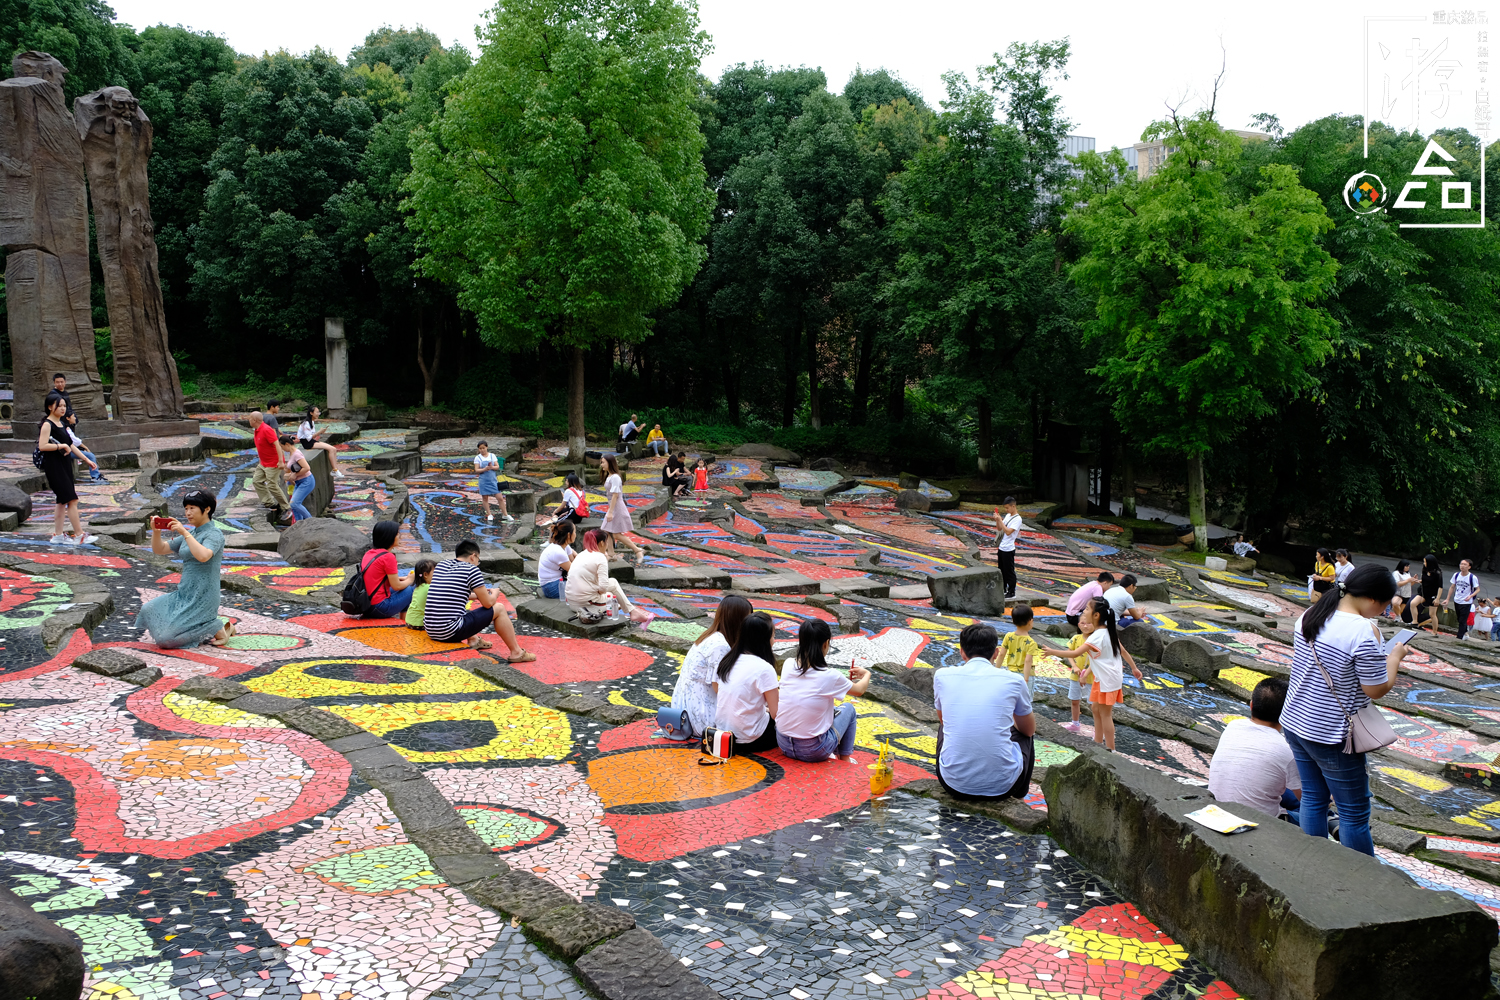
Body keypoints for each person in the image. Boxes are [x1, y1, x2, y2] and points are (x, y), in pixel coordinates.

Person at [1281, 563, 1407, 856]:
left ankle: (1316, 863)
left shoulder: (1310, 614)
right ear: (1375, 599)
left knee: (1313, 798)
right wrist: (1395, 657)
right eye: (1386, 606)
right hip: (1331, 733)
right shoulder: (1364, 631)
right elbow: (1375, 689)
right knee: (1353, 814)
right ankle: (1361, 881)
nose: (1384, 611)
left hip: (1296, 720)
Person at [932, 622, 1036, 800]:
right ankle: (1020, 790)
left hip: (952, 783)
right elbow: (1029, 730)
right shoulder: (1015, 681)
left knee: (945, 726)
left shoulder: (942, 676)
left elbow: (943, 720)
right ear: (996, 653)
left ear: (962, 651)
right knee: (1025, 735)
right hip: (1004, 787)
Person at [137, 489, 230, 647]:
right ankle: (212, 625)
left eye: (192, 508)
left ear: (207, 509)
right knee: (148, 610)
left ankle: (215, 626)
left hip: (204, 596)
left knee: (166, 640)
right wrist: (156, 532)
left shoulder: (214, 534)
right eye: (186, 508)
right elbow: (160, 549)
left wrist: (184, 532)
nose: (188, 512)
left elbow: (203, 556)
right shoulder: (192, 533)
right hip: (185, 592)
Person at [1050, 597, 1142, 751]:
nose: (1083, 611)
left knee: (1105, 714)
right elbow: (1122, 652)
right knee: (1095, 709)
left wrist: (1052, 651)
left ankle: (1111, 749)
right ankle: (1098, 742)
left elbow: (1075, 653)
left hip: (1107, 680)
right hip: (1105, 678)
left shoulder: (1097, 636)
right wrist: (1134, 668)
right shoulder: (1106, 631)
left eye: (1086, 608)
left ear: (1096, 615)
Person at [1208, 676, 1302, 823]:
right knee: (1308, 807)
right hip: (1259, 824)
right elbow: (1308, 798)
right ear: (1289, 715)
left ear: (1251, 705)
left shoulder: (1233, 726)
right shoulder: (1286, 751)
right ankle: (1332, 823)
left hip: (1216, 810)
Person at [777, 618, 871, 762]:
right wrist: (866, 674)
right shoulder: (829, 676)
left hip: (783, 744)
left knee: (829, 707)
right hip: (812, 750)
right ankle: (845, 760)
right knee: (849, 709)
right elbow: (859, 690)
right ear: (826, 644)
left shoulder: (788, 664)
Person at [424, 539, 535, 659]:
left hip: (431, 629)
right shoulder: (472, 570)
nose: (477, 563)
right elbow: (488, 604)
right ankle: (517, 653)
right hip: (449, 632)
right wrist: (495, 594)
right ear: (473, 556)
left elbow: (454, 594)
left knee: (459, 610)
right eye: (478, 560)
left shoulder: (441, 565)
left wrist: (478, 595)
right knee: (499, 608)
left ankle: (474, 640)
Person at [667, 594, 752, 741]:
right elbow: (718, 687)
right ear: (737, 621)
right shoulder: (720, 646)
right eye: (747, 619)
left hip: (683, 708)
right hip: (699, 716)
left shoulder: (709, 636)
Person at [713, 611, 781, 752]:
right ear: (765, 639)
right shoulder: (764, 669)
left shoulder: (727, 661)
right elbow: (777, 713)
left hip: (722, 735)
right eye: (773, 636)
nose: (774, 640)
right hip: (750, 739)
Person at [37, 394, 99, 545]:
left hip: (65, 466)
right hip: (54, 467)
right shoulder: (48, 424)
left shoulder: (62, 424)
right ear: (50, 407)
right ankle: (79, 535)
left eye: (64, 405)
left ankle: (58, 535)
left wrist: (86, 459)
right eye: (60, 406)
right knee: (72, 499)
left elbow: (71, 445)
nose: (63, 408)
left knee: (61, 501)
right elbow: (42, 445)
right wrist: (60, 446)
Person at [565, 528, 653, 624]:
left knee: (613, 582)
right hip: (586, 605)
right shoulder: (600, 557)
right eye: (607, 543)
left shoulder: (582, 554)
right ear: (602, 543)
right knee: (612, 597)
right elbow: (603, 588)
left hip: (572, 603)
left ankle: (632, 610)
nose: (607, 546)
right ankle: (632, 611)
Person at [50, 373, 107, 484]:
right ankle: (95, 476)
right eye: (57, 382)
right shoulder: (57, 424)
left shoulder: (65, 395)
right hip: (60, 450)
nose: (60, 384)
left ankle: (95, 474)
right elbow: (72, 442)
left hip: (67, 445)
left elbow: (71, 442)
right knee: (89, 454)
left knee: (85, 453)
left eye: (62, 381)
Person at [355, 520, 416, 619]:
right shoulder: (388, 557)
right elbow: (396, 586)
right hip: (379, 608)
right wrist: (410, 580)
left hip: (366, 604)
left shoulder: (370, 553)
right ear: (389, 537)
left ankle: (403, 620)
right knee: (412, 588)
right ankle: (404, 621)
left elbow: (377, 578)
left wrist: (403, 578)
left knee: (406, 586)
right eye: (397, 534)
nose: (400, 536)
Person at [599, 455, 644, 560]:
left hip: (617, 507)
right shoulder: (610, 476)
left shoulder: (615, 477)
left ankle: (637, 549)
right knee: (606, 530)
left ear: (610, 463)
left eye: (603, 462)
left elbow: (615, 495)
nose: (601, 465)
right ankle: (611, 554)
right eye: (601, 462)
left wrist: (610, 512)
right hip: (613, 506)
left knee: (615, 534)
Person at [249, 411, 291, 525]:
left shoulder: (266, 430)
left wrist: (281, 461)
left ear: (254, 420)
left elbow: (277, 445)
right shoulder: (257, 430)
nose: (248, 420)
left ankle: (286, 508)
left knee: (272, 484)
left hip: (273, 463)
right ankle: (269, 503)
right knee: (257, 481)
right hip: (263, 463)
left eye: (250, 418)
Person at [999, 604, 1042, 693]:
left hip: (1011, 673)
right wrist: (1026, 680)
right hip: (1025, 675)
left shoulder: (1008, 636)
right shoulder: (1031, 643)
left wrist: (996, 670)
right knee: (1025, 702)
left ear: (1013, 620)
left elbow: (1002, 654)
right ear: (1030, 621)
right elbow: (1027, 661)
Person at [1063, 621, 1096, 730]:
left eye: (1088, 623)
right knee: (1074, 700)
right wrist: (1074, 666)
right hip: (1076, 675)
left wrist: (1086, 674)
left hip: (1091, 677)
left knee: (1094, 705)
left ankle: (1098, 728)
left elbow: (1096, 660)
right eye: (1083, 623)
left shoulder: (1096, 640)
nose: (1085, 625)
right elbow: (1069, 652)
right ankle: (1075, 723)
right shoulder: (1076, 638)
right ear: (1078, 624)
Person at [297, 405, 345, 478]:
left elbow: (312, 436)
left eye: (318, 412)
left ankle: (335, 470)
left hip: (311, 441)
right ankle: (334, 470)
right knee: (331, 449)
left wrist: (320, 432)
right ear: (311, 413)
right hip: (307, 443)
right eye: (317, 412)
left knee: (334, 449)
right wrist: (319, 432)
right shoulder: (306, 423)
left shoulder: (311, 422)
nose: (318, 414)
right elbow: (308, 438)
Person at [1442, 558, 1482, 640]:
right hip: (1457, 600)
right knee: (1459, 618)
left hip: (1466, 602)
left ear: (1469, 567)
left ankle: (1459, 637)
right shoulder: (1456, 575)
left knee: (1463, 620)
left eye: (1465, 564)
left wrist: (1470, 596)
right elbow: (1452, 586)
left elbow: (1478, 589)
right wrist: (1447, 599)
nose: (1462, 566)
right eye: (1461, 564)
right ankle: (1465, 632)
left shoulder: (1472, 577)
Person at [474, 441, 512, 522]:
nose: (482, 450)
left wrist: (491, 467)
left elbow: (497, 466)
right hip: (483, 480)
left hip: (493, 480)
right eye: (480, 448)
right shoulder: (478, 458)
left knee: (500, 498)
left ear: (487, 447)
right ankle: (489, 514)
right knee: (485, 498)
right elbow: (477, 470)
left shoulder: (492, 456)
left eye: (483, 448)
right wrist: (484, 469)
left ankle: (505, 514)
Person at [538, 521, 577, 600]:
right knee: (586, 588)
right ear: (569, 535)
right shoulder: (558, 552)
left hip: (559, 581)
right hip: (551, 587)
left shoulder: (565, 546)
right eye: (575, 532)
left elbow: (574, 562)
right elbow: (575, 570)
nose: (575, 535)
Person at [281, 434, 316, 522]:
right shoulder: (291, 453)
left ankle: (310, 521)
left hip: (306, 481)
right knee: (295, 505)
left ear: (287, 444)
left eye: (282, 446)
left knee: (294, 503)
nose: (282, 449)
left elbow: (307, 468)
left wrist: (295, 475)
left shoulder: (296, 454)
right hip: (299, 482)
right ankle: (298, 524)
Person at [993, 497, 1022, 600]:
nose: (1006, 510)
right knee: (1001, 569)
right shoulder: (1008, 516)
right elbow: (1000, 528)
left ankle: (1012, 590)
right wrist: (998, 520)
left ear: (1013, 506)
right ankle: (1003, 587)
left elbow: (1008, 531)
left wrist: (1000, 520)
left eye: (1007, 508)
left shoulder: (1017, 519)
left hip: (1009, 548)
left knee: (1009, 571)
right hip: (1002, 547)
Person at [405, 559, 436, 630]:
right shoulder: (429, 588)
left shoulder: (418, 586)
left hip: (410, 621)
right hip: (419, 623)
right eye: (436, 573)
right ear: (425, 575)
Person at [1417, 553, 1443, 630]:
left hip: (1433, 595)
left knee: (1432, 614)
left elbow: (1440, 587)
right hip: (1424, 593)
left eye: (1425, 562)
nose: (1424, 564)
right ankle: (1415, 622)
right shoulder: (1424, 570)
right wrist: (1420, 581)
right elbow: (1426, 580)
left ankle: (1434, 631)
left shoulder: (1437, 573)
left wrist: (1438, 598)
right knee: (1413, 603)